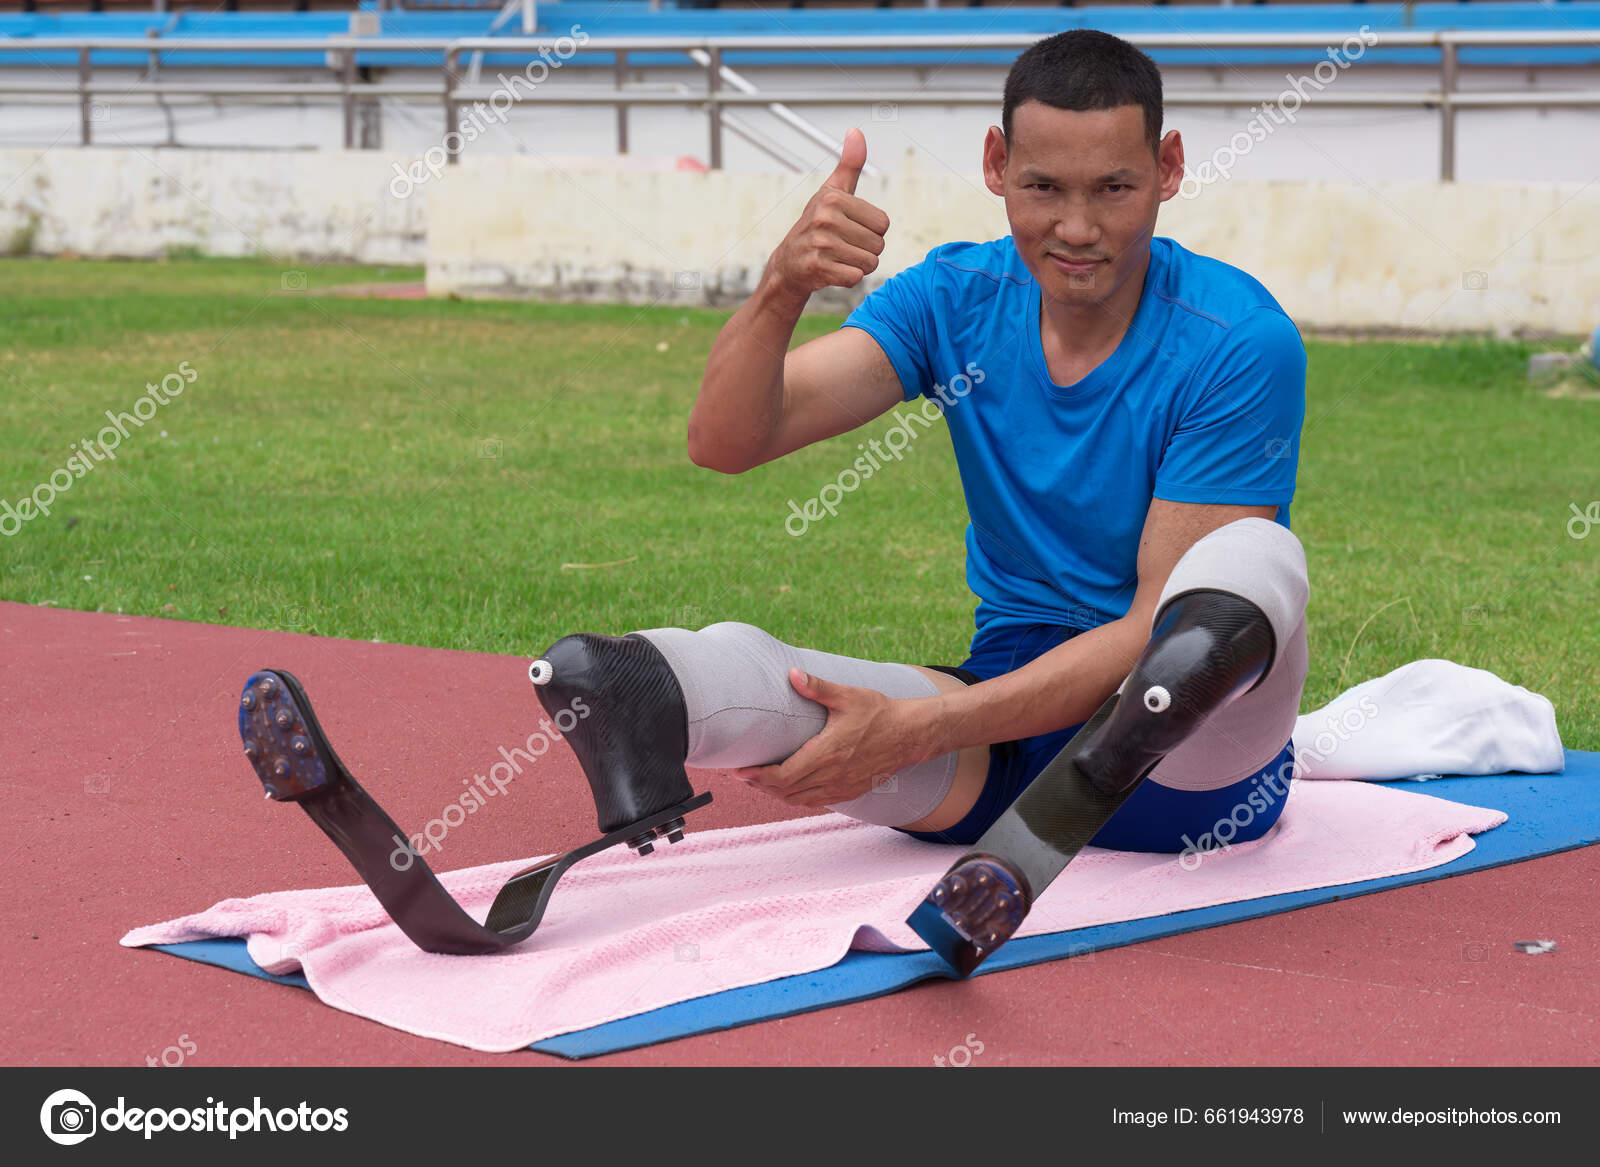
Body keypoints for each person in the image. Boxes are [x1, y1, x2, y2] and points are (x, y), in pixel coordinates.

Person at [529, 28, 1310, 868]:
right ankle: (650, 683)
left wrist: (918, 729)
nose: (1077, 228)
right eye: (1043, 186)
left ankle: (968, 740)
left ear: (1168, 169)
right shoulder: (954, 297)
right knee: (785, 695)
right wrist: (784, 284)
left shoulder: (1238, 340)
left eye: (1114, 188)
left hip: (1186, 776)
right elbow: (724, 441)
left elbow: (1143, 630)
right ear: (996, 164)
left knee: (1241, 568)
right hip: (999, 739)